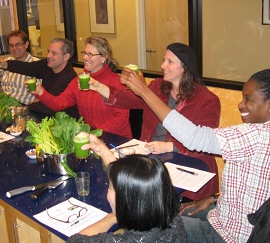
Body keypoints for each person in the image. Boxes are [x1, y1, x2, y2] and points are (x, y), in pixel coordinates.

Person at [121, 68, 270, 242]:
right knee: (169, 213)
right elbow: (262, 194)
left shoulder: (257, 136)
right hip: (236, 219)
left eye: (248, 99)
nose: (240, 104)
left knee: (149, 225)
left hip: (230, 235)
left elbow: (193, 137)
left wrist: (144, 92)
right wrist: (214, 199)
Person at [89, 43, 221, 201]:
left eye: (170, 62)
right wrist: (99, 87)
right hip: (153, 159)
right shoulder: (158, 87)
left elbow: (206, 143)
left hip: (188, 168)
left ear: (185, 67)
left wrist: (170, 146)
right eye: (164, 60)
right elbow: (129, 100)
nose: (162, 65)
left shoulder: (207, 100)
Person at [67, 135, 187, 243]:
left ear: (126, 199)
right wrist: (105, 153)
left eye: (110, 187)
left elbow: (75, 241)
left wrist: (112, 217)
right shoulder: (172, 220)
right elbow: (134, 180)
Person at [32, 37, 132, 138]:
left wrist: (95, 134)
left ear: (103, 58)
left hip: (117, 139)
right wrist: (40, 92)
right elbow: (59, 103)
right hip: (91, 138)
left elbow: (121, 118)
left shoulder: (117, 82)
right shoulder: (80, 80)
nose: (85, 58)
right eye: (84, 53)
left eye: (90, 55)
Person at [0, 37, 78, 119]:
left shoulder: (68, 77)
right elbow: (28, 67)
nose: (48, 56)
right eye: (48, 51)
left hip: (62, 120)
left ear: (66, 57)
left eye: (54, 53)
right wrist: (6, 65)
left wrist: (24, 109)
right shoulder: (48, 65)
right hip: (45, 114)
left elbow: (49, 106)